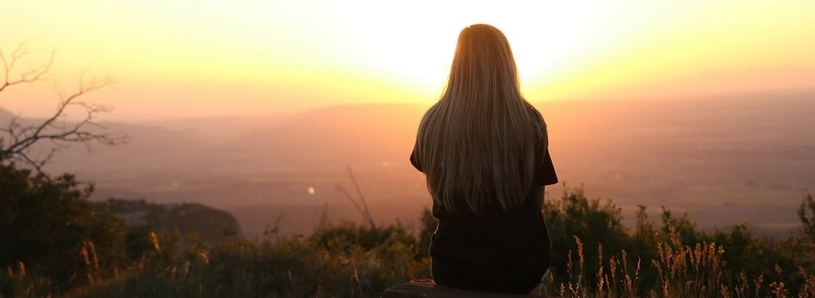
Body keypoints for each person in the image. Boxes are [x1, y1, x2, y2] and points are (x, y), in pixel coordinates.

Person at [409, 24, 558, 296]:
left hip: (452, 266)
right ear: (506, 65)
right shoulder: (529, 123)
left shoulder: (432, 123)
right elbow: (537, 204)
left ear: (457, 65)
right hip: (518, 266)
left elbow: (438, 188)